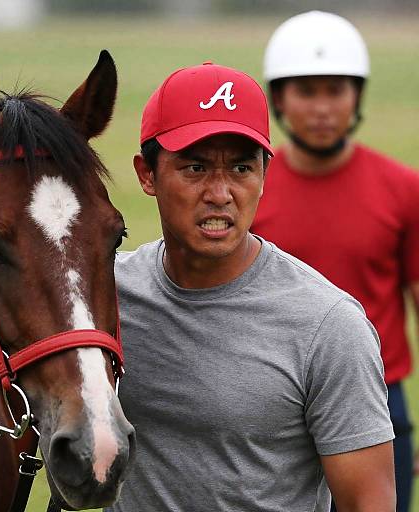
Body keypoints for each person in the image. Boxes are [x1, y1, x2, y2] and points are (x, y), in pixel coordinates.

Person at [108, 61, 395, 512]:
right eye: (195, 168)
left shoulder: (328, 325)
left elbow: (368, 503)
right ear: (147, 174)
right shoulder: (106, 298)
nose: (220, 193)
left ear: (264, 175)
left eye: (241, 168)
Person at [251, 11, 419, 512]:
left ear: (357, 97)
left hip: (379, 403)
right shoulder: (248, 192)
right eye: (305, 91)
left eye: (336, 90)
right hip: (270, 403)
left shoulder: (404, 189)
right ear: (278, 99)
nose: (322, 108)